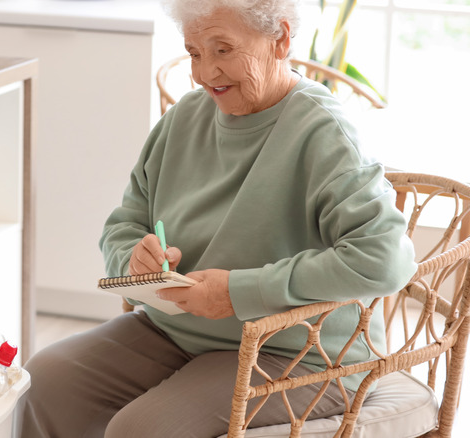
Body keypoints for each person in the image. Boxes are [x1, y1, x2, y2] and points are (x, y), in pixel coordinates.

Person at [20, 0, 417, 436]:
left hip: (296, 351)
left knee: (142, 429)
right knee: (46, 380)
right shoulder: (183, 119)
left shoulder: (324, 132)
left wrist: (238, 292)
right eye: (194, 52)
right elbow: (125, 222)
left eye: (223, 49)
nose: (204, 73)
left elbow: (384, 260)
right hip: (174, 333)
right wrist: (134, 260)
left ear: (280, 39)